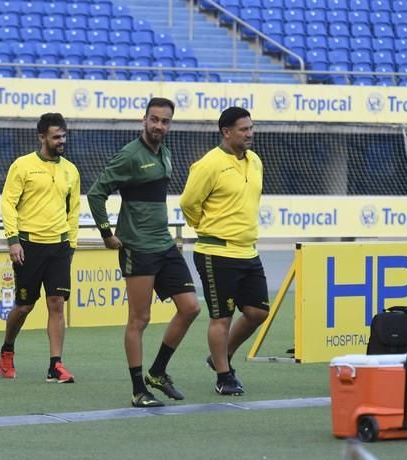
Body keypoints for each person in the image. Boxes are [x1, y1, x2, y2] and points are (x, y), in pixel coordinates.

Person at [87, 98, 200, 407]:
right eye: (154, 120)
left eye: (165, 121)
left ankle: (158, 372)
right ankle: (139, 390)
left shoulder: (165, 153)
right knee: (140, 318)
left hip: (164, 244)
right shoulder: (129, 155)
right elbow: (96, 193)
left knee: (191, 308)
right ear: (144, 120)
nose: (159, 126)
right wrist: (107, 234)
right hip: (137, 247)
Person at [180, 107, 270, 396]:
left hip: (248, 252)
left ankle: (221, 355)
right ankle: (224, 375)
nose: (250, 134)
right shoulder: (209, 164)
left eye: (251, 128)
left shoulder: (255, 161)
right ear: (226, 132)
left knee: (258, 312)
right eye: (243, 129)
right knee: (221, 317)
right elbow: (188, 203)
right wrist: (204, 227)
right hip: (216, 252)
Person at [0, 113, 80, 383]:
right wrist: (13, 240)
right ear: (42, 137)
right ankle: (8, 348)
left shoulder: (71, 170)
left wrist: (71, 242)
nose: (62, 141)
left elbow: (74, 210)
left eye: (64, 136)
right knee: (23, 307)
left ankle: (55, 364)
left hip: (59, 247)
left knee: (56, 304)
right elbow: (8, 203)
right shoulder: (22, 166)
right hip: (29, 246)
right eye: (56, 136)